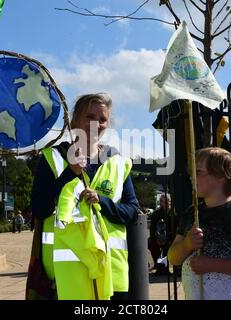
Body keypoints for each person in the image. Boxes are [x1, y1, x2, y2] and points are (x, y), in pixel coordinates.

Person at [29, 93, 139, 300]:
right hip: (66, 274)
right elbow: (40, 208)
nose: (96, 124)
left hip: (111, 272)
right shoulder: (53, 158)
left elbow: (132, 212)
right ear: (74, 120)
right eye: (90, 117)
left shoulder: (118, 162)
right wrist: (70, 173)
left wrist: (103, 202)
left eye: (103, 119)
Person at [168, 147, 231, 300]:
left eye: (198, 172)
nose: (191, 177)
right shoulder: (192, 213)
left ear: (221, 176)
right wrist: (187, 245)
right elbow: (173, 258)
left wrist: (211, 265)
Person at [148, 193, 175, 275]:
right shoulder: (156, 214)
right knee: (150, 243)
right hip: (159, 238)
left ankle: (166, 268)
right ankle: (159, 266)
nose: (166, 203)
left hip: (171, 238)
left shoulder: (175, 213)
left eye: (168, 201)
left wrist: (170, 238)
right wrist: (155, 239)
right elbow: (152, 229)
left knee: (168, 247)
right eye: (163, 201)